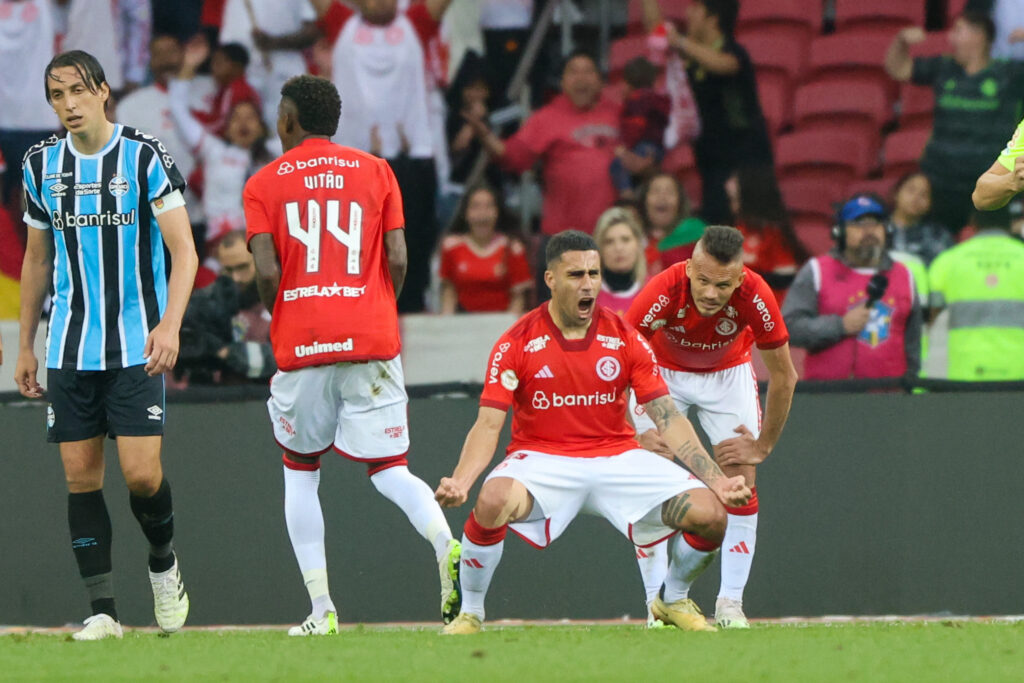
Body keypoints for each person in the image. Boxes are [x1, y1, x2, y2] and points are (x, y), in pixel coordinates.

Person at [434, 230, 751, 635]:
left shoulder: (624, 337)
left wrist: (718, 481)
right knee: (492, 499)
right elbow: (489, 422)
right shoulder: (515, 342)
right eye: (576, 275)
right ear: (550, 279)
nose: (588, 284)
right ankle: (471, 613)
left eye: (594, 274)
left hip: (617, 455)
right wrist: (462, 480)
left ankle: (670, 600)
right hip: (543, 457)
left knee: (711, 515)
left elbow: (668, 416)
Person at [243, 74, 462, 636]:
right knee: (391, 470)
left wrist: (284, 313)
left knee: (300, 473)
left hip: (305, 337)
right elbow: (397, 256)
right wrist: (374, 306)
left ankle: (322, 609)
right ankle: (445, 542)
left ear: (289, 119)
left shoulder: (263, 183)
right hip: (369, 334)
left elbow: (266, 270)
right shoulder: (377, 171)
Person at [16, 50, 199, 640]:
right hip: (70, 347)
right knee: (80, 478)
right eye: (56, 95)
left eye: (76, 91)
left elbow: (185, 252)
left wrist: (169, 325)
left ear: (101, 91)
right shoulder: (40, 165)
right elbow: (36, 258)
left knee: (143, 477)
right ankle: (105, 613)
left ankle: (164, 562)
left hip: (134, 343)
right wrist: (25, 344)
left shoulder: (143, 157)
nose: (67, 104)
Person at [626, 225, 798, 629]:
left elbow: (784, 376)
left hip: (728, 374)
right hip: (661, 373)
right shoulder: (662, 289)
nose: (709, 293)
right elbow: (618, 361)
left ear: (739, 279)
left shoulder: (756, 295)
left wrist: (764, 445)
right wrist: (633, 434)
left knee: (741, 481)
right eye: (702, 280)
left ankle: (730, 604)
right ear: (688, 269)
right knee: (649, 477)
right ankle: (657, 605)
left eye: (722, 285)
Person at [312, 0, 454, 313]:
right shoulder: (341, 22)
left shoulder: (415, 22)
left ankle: (413, 307)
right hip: (352, 160)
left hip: (411, 155)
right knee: (354, 244)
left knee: (413, 242)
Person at [465, 50, 620, 290]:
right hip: (561, 238)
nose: (581, 78)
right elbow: (512, 157)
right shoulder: (546, 118)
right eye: (573, 72)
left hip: (611, 239)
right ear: (562, 82)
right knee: (554, 319)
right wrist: (484, 134)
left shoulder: (615, 113)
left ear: (600, 80)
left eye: (588, 71)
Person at [886, 12, 1024, 234]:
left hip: (988, 182)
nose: (950, 38)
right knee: (936, 241)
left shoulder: (1009, 74)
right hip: (941, 183)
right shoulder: (944, 67)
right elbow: (898, 68)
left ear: (979, 36)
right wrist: (900, 41)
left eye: (958, 30)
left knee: (993, 243)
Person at [641, 0, 773, 224]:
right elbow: (658, 30)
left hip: (747, 162)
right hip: (711, 163)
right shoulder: (689, 54)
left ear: (712, 18)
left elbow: (724, 65)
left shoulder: (733, 51)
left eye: (695, 8)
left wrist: (680, 41)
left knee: (752, 229)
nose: (687, 13)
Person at [782, 195, 923, 381]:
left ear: (887, 230)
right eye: (859, 224)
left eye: (875, 223)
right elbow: (788, 328)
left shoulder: (905, 275)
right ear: (839, 232)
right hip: (828, 397)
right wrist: (840, 326)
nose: (869, 231)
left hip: (890, 398)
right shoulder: (816, 271)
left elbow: (912, 344)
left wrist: (908, 386)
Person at [170, 38, 274, 248]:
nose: (243, 124)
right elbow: (179, 112)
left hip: (264, 249)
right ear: (226, 127)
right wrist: (187, 68)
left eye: (250, 118)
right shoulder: (212, 150)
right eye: (236, 118)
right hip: (219, 248)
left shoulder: (277, 155)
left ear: (262, 126)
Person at [928, 207, 1024, 380]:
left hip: (964, 374)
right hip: (1019, 373)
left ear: (973, 222)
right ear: (1010, 224)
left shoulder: (946, 262)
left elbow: (931, 322)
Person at [177, 230, 275, 384]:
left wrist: (224, 351)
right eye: (228, 270)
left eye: (242, 267)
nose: (236, 277)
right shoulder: (208, 299)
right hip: (221, 399)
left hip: (268, 396)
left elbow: (282, 359)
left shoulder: (280, 296)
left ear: (258, 259)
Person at [218, 0, 319, 128]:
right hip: (247, 80)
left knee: (291, 132)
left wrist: (274, 43)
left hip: (286, 74)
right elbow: (227, 45)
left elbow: (313, 31)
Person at [439, 183, 532, 314]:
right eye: (475, 207)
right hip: (463, 323)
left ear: (497, 212)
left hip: (501, 323)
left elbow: (518, 299)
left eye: (489, 206)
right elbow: (449, 292)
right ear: (465, 213)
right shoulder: (451, 247)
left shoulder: (513, 248)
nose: (482, 214)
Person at [725, 164, 808, 303]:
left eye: (736, 200)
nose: (732, 206)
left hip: (766, 308)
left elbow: (785, 278)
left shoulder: (773, 234)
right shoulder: (738, 229)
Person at [610, 57, 671, 199]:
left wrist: (626, 149)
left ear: (628, 84)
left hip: (643, 147)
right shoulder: (657, 100)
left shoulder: (637, 101)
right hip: (658, 150)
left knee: (617, 165)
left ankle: (627, 194)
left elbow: (635, 127)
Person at [638, 172, 705, 273]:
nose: (662, 197)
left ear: (680, 202)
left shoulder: (698, 236)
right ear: (644, 201)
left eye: (670, 192)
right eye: (655, 191)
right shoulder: (632, 239)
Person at [887, 172, 953, 266]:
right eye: (911, 190)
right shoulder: (877, 229)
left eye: (924, 194)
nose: (916, 198)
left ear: (930, 204)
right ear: (896, 193)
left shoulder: (938, 236)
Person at [594, 206, 648, 317]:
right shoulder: (587, 295)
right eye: (609, 242)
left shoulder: (656, 290)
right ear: (599, 249)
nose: (618, 248)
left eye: (625, 239)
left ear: (638, 244)